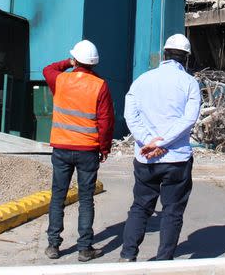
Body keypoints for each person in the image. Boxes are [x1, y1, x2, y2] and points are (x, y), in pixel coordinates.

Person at [120, 33, 202, 262]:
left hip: (146, 158)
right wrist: (163, 142)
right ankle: (163, 261)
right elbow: (188, 120)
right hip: (177, 159)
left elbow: (130, 115)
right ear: (186, 58)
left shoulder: (142, 80)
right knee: (172, 211)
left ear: (164, 54)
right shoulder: (190, 83)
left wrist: (148, 141)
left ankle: (128, 255)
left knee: (140, 207)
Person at [42, 39, 115, 262]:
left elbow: (48, 69)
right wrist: (104, 148)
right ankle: (84, 249)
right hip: (87, 150)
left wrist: (67, 62)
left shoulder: (61, 79)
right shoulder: (100, 85)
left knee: (58, 197)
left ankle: (53, 245)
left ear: (76, 60)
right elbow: (106, 121)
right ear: (94, 63)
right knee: (85, 199)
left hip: (62, 148)